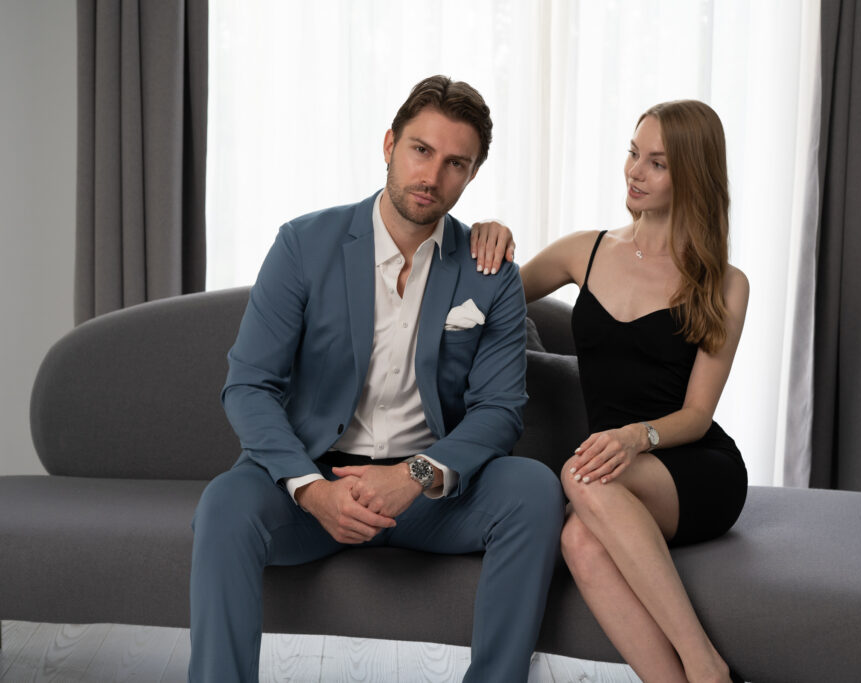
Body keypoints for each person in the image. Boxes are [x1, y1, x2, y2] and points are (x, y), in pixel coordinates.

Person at [189, 75, 564, 683]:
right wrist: (313, 490)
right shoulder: (304, 244)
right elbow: (249, 385)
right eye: (421, 150)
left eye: (455, 163)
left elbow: (499, 411)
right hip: (317, 483)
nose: (432, 175)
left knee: (533, 490)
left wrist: (413, 477)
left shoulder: (489, 271)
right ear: (389, 144)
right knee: (226, 504)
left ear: (471, 175)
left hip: (431, 494)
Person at [473, 100, 749, 683]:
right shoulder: (586, 251)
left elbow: (698, 415)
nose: (635, 172)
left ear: (692, 175)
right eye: (633, 153)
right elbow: (483, 301)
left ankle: (705, 664)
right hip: (613, 468)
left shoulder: (724, 283)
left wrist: (633, 437)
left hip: (693, 465)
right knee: (579, 539)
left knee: (581, 475)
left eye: (657, 163)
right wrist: (486, 236)